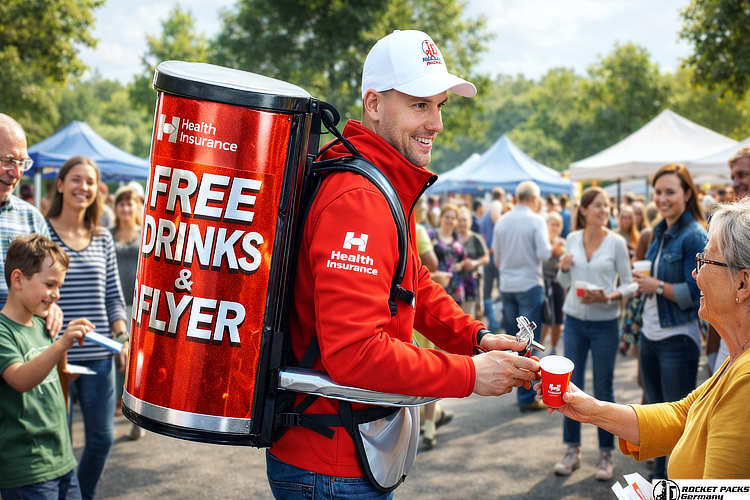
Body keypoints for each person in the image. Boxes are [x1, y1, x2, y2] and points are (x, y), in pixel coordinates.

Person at [266, 29, 540, 498]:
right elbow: (356, 354)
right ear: (374, 104)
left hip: (342, 451)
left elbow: (413, 283)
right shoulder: (360, 196)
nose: (435, 122)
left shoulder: (380, 179)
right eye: (419, 105)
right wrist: (472, 374)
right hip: (330, 464)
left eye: (439, 106)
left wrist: (475, 337)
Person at [540, 198, 750, 479]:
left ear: (742, 283)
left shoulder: (745, 382)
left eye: (705, 260)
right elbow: (683, 416)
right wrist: (592, 409)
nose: (695, 273)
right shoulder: (736, 360)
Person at [46, 156, 128, 500]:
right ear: (61, 184)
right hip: (55, 358)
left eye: (90, 182)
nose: (84, 187)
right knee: (59, 445)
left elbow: (113, 295)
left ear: (97, 191)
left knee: (101, 440)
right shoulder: (42, 230)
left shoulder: (102, 238)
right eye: (76, 180)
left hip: (99, 355)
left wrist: (121, 336)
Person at [0, 235, 96, 499]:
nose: (57, 294)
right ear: (18, 279)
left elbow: (51, 375)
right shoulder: (3, 331)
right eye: (50, 284)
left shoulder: (43, 324)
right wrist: (61, 344)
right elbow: (20, 379)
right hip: (27, 468)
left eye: (60, 286)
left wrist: (66, 372)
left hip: (62, 459)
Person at [631, 163, 707, 481]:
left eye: (670, 192)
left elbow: (697, 291)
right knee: (656, 419)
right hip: (651, 335)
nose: (663, 199)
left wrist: (657, 286)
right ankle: (660, 479)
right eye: (658, 192)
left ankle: (672, 482)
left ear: (687, 194)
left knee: (675, 423)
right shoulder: (660, 230)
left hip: (678, 339)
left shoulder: (694, 235)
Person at [554, 187, 635, 480]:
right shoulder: (572, 238)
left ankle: (605, 454)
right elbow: (564, 281)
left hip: (605, 323)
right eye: (598, 206)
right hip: (574, 319)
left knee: (603, 387)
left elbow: (630, 285)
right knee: (568, 386)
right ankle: (572, 451)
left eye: (607, 206)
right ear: (584, 210)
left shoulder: (616, 243)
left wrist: (609, 297)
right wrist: (562, 268)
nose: (604, 211)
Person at [0, 115, 63, 335]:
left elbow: (49, 280)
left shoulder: (32, 218)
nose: (16, 173)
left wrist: (52, 307)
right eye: (8, 161)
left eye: (21, 163)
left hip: (23, 343)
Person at [492, 180, 551, 412]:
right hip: (529, 283)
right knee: (529, 342)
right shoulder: (536, 220)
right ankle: (526, 396)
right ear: (534, 199)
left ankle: (517, 389)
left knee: (514, 342)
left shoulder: (503, 221)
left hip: (507, 284)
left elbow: (496, 259)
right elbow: (544, 253)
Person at [110, 186, 143, 439]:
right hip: (114, 306)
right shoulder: (107, 235)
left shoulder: (145, 235)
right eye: (121, 204)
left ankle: (136, 415)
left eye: (130, 204)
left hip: (138, 306)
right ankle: (116, 404)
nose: (125, 208)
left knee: (136, 362)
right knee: (117, 359)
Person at [429, 203, 467, 305]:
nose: (450, 220)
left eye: (453, 218)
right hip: (437, 283)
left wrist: (462, 265)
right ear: (441, 217)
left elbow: (464, 258)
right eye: (447, 217)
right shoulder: (431, 235)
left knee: (455, 318)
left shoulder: (457, 238)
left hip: (456, 285)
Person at [478, 188, 505, 332]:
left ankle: (494, 321)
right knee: (500, 290)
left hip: (488, 255)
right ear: (501, 197)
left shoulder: (485, 214)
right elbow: (497, 216)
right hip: (494, 255)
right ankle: (495, 322)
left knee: (488, 291)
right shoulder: (496, 207)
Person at [456, 205, 489, 318]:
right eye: (459, 220)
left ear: (470, 222)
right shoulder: (453, 237)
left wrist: (474, 263)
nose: (462, 223)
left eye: (465, 220)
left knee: (470, 316)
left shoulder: (476, 238)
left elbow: (486, 258)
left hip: (472, 283)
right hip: (454, 284)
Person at [541, 212, 565, 354]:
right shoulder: (543, 243)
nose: (555, 227)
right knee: (546, 318)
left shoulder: (563, 243)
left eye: (557, 225)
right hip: (545, 283)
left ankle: (554, 348)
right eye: (552, 224)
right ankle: (539, 347)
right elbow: (541, 264)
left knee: (558, 319)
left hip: (559, 283)